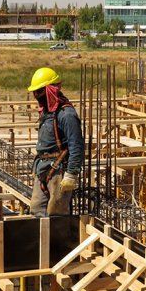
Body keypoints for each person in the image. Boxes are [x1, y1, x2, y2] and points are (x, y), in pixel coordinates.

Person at [26, 67, 84, 217]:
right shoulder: (47, 112)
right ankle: (41, 241)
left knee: (56, 215)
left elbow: (76, 145)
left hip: (58, 171)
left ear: (50, 90)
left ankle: (59, 241)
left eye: (39, 91)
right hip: (42, 170)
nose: (35, 96)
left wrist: (71, 173)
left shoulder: (66, 115)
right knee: (36, 210)